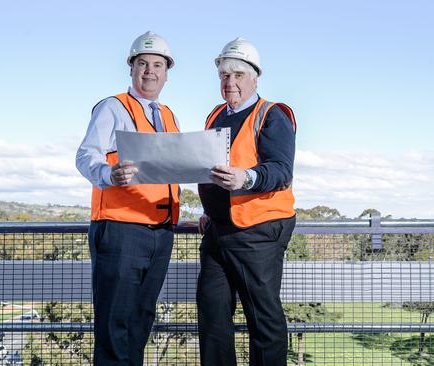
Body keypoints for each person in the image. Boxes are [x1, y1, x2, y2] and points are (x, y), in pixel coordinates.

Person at [75, 31, 180, 365]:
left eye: (157, 65)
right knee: (115, 323)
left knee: (140, 321)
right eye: (143, 64)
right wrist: (108, 175)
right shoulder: (113, 107)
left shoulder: (168, 116)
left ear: (167, 72)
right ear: (131, 68)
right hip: (121, 231)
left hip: (160, 232)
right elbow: (86, 156)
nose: (150, 71)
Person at [197, 37, 297, 366]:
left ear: (255, 77)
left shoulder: (272, 115)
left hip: (257, 232)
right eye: (225, 75)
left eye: (238, 75)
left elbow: (281, 170)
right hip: (218, 232)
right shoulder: (215, 116)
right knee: (212, 319)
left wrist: (246, 178)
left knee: (263, 320)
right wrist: (210, 212)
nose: (230, 82)